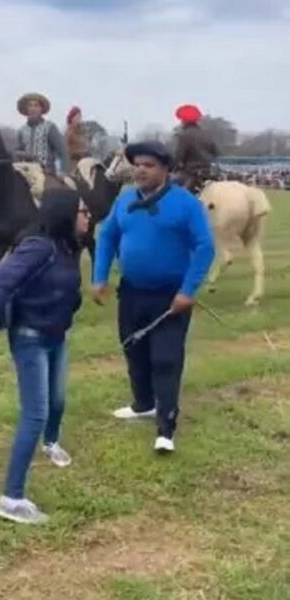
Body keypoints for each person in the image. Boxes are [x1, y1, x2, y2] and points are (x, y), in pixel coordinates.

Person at [0, 189, 90, 525]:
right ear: (66, 214)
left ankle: (51, 444)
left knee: (58, 399)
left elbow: (67, 290)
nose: (88, 216)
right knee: (34, 414)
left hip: (57, 335)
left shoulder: (68, 247)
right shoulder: (38, 246)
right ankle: (11, 499)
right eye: (82, 211)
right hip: (31, 339)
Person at [92, 141, 215, 454]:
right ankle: (143, 404)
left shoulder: (185, 203)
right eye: (137, 164)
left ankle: (166, 427)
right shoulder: (124, 201)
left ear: (165, 170)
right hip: (132, 293)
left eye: (149, 165)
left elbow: (205, 247)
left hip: (171, 297)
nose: (140, 170)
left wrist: (188, 291)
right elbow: (107, 237)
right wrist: (99, 277)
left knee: (165, 359)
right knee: (133, 349)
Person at [15, 92, 70, 177]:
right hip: (26, 172)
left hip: (47, 173)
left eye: (36, 105)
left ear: (41, 109)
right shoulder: (21, 130)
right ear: (27, 109)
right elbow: (17, 151)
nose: (33, 108)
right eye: (30, 105)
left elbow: (62, 151)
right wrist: (22, 154)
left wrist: (64, 172)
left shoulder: (49, 127)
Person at [173, 104, 220, 195]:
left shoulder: (184, 135)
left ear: (184, 121)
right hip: (209, 172)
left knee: (168, 188)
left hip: (191, 172)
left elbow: (179, 156)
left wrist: (172, 168)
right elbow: (216, 152)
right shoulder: (206, 134)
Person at [65, 106, 88, 172]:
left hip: (84, 162)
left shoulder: (82, 132)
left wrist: (86, 152)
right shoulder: (69, 132)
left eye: (79, 116)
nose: (78, 118)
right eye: (76, 116)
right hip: (73, 163)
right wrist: (78, 153)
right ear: (71, 118)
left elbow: (84, 145)